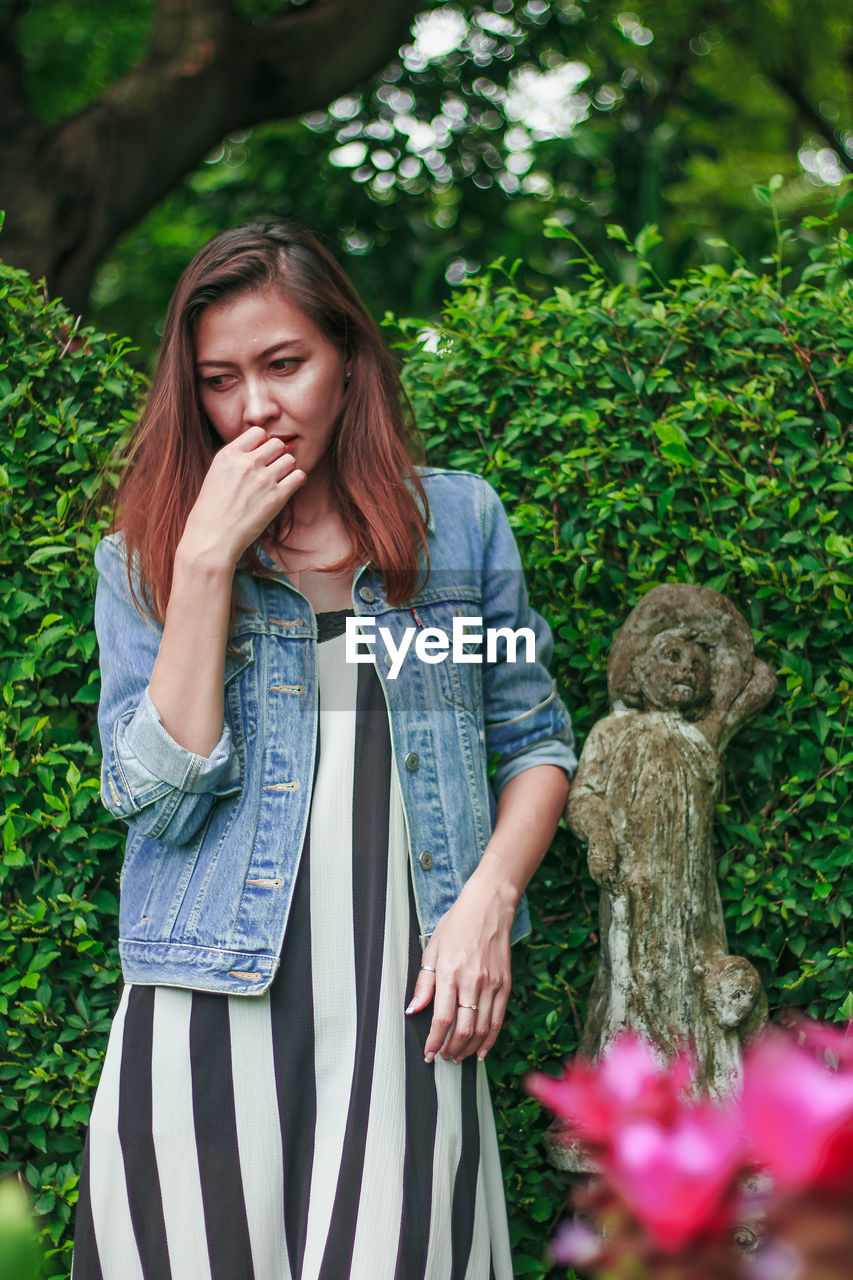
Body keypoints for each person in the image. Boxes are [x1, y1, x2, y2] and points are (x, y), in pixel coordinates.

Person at [72, 220, 576, 1280]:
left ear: (347, 360)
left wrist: (487, 898)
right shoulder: (146, 561)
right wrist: (206, 560)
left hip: (406, 1009)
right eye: (220, 379)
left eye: (284, 364)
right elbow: (155, 797)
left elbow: (532, 740)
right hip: (206, 1011)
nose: (253, 405)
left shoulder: (454, 529)